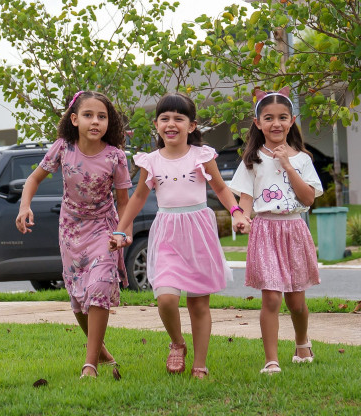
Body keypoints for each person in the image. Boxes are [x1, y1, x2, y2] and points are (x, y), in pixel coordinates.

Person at [109, 92, 249, 379]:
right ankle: (177, 342)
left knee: (198, 304)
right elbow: (138, 198)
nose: (171, 124)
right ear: (156, 125)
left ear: (191, 125)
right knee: (166, 299)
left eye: (178, 118)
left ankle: (200, 364)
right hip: (167, 233)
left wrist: (236, 212)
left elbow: (220, 188)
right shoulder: (151, 161)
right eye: (164, 118)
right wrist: (121, 228)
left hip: (198, 232)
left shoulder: (202, 156)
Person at [16, 91, 132, 379]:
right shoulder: (63, 148)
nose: (95, 121)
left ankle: (90, 365)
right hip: (71, 229)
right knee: (78, 294)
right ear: (74, 119)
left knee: (99, 286)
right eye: (88, 115)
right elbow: (34, 179)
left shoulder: (116, 157)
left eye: (102, 116)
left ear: (109, 122)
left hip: (104, 228)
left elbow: (124, 202)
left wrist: (123, 232)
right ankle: (100, 350)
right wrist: (24, 206)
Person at [229, 87, 323, 374]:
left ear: (292, 121)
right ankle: (271, 360)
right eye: (268, 118)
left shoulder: (302, 159)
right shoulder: (252, 159)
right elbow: (245, 200)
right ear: (258, 123)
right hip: (266, 231)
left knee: (296, 301)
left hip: (294, 230)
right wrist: (241, 218)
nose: (276, 124)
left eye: (282, 117)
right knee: (271, 297)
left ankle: (302, 341)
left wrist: (287, 165)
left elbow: (308, 199)